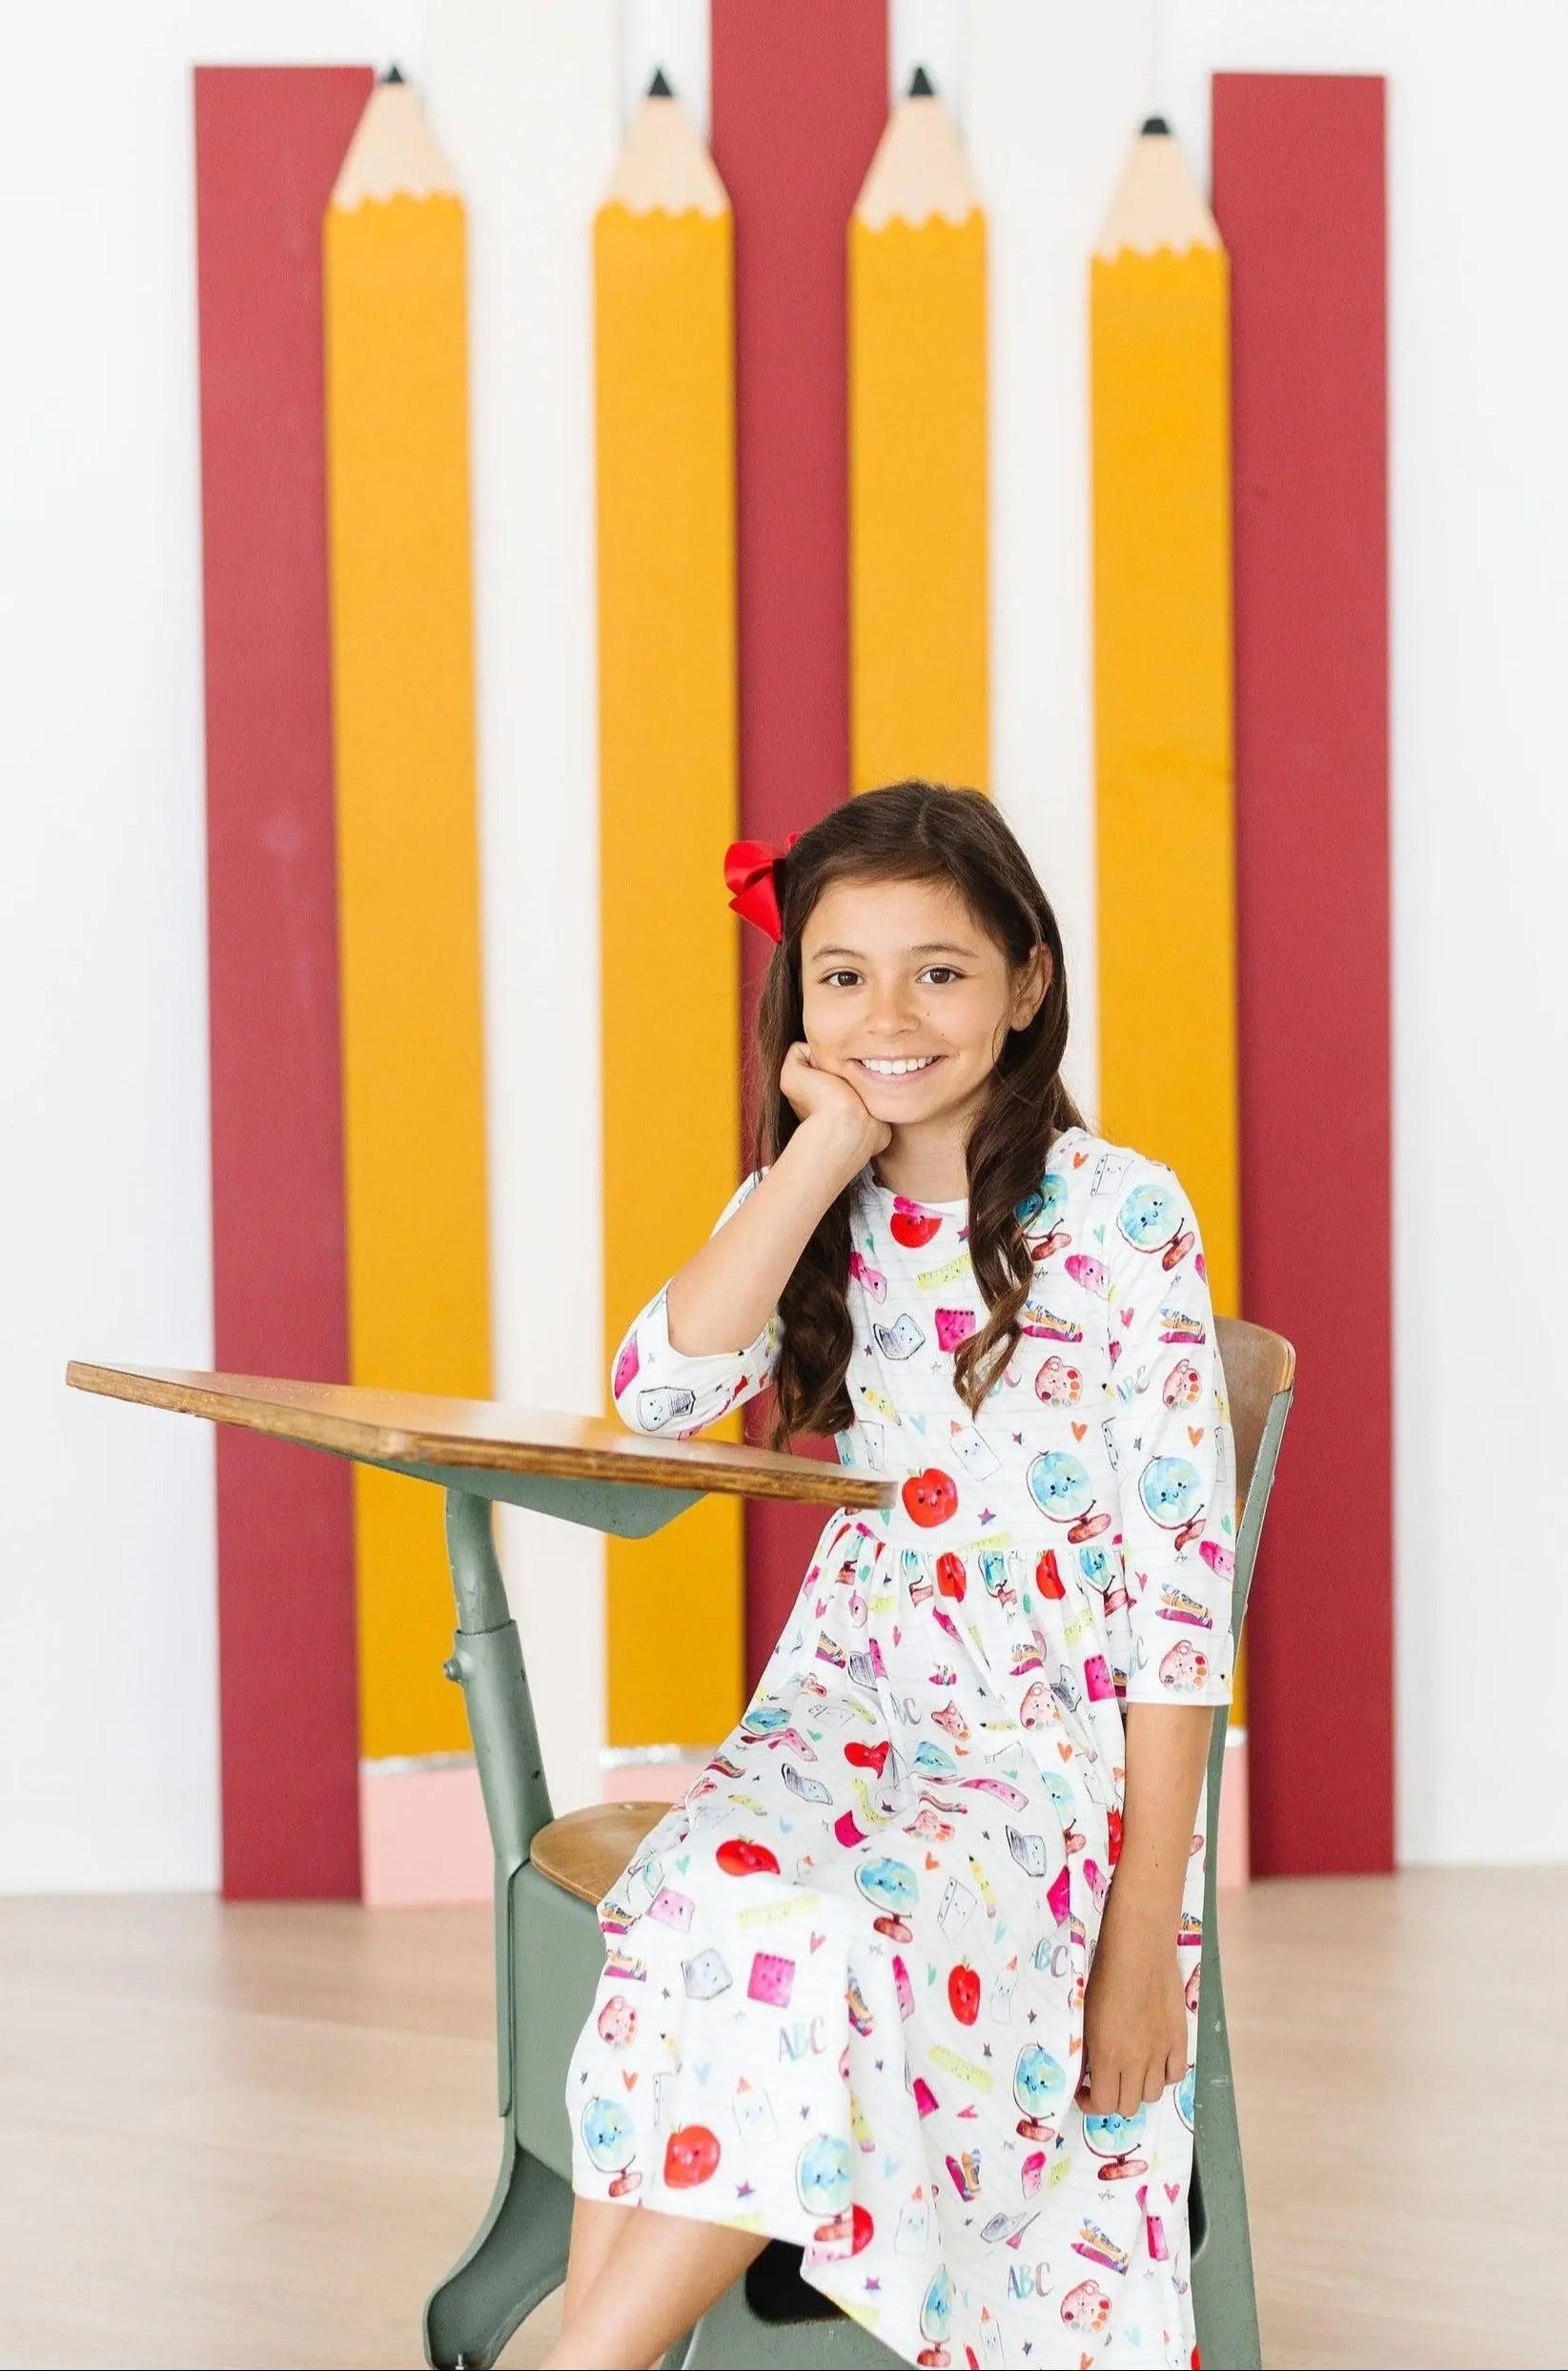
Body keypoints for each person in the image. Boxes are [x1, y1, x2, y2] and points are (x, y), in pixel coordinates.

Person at [545, 783, 1235, 2370]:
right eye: (842, 975)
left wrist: (1147, 1927)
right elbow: (656, 1393)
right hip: (847, 1715)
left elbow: (1178, 1605)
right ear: (798, 1006)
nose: (890, 1013)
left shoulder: (1123, 1218)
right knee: (700, 1898)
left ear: (1027, 983)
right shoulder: (824, 1194)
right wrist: (825, 1146)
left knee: (813, 1941)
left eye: (939, 969)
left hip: (1042, 1768)